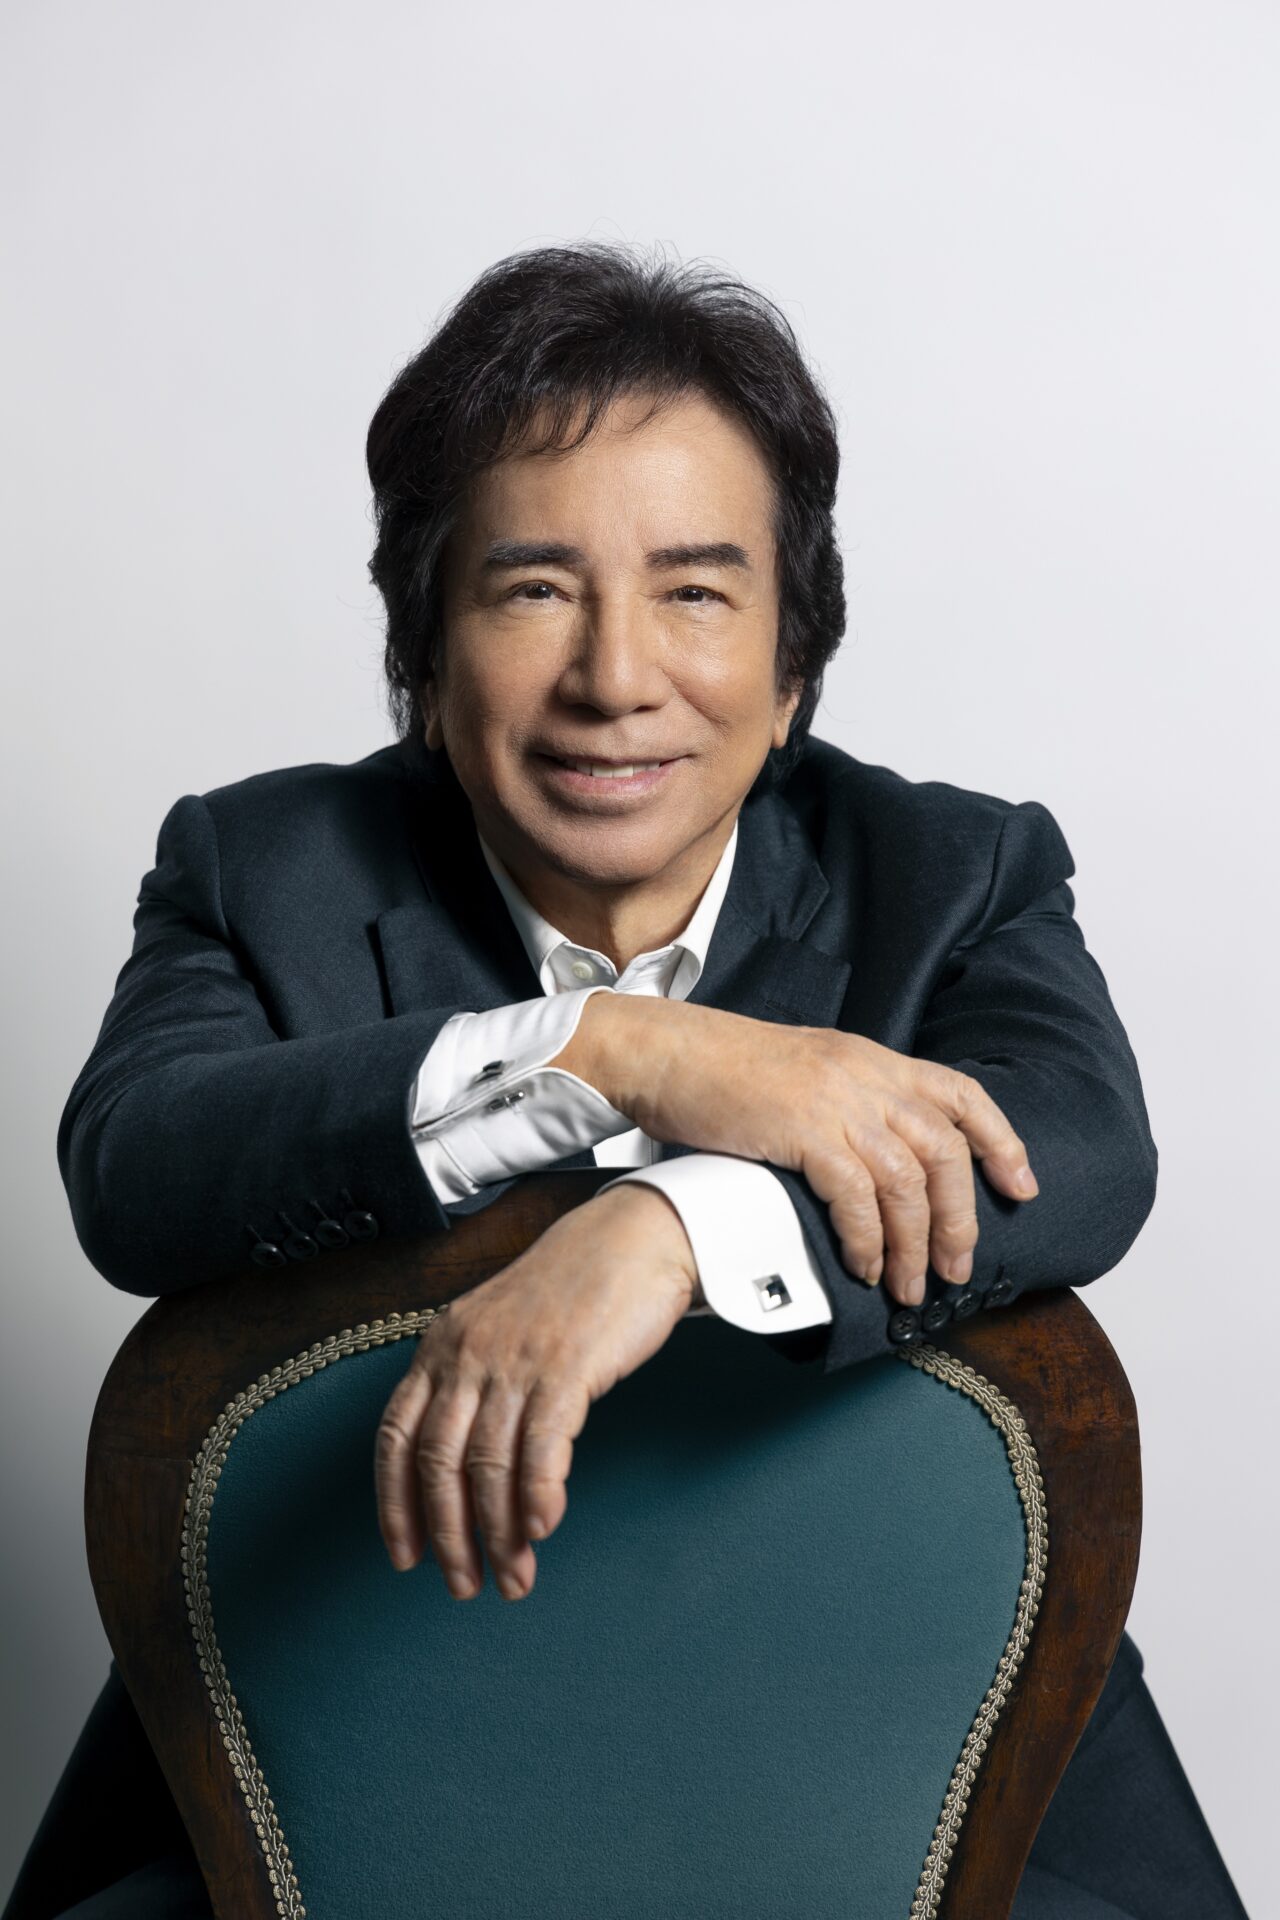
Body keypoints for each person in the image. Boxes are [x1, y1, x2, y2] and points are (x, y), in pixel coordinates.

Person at [3, 243, 1248, 1920]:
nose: (615, 678)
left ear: (793, 667)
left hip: (922, 1767)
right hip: (334, 1767)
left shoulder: (955, 874)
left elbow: (1081, 1153)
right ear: (425, 660)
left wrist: (670, 1228)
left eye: (696, 593)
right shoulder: (260, 870)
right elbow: (138, 1164)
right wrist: (613, 1058)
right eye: (533, 589)